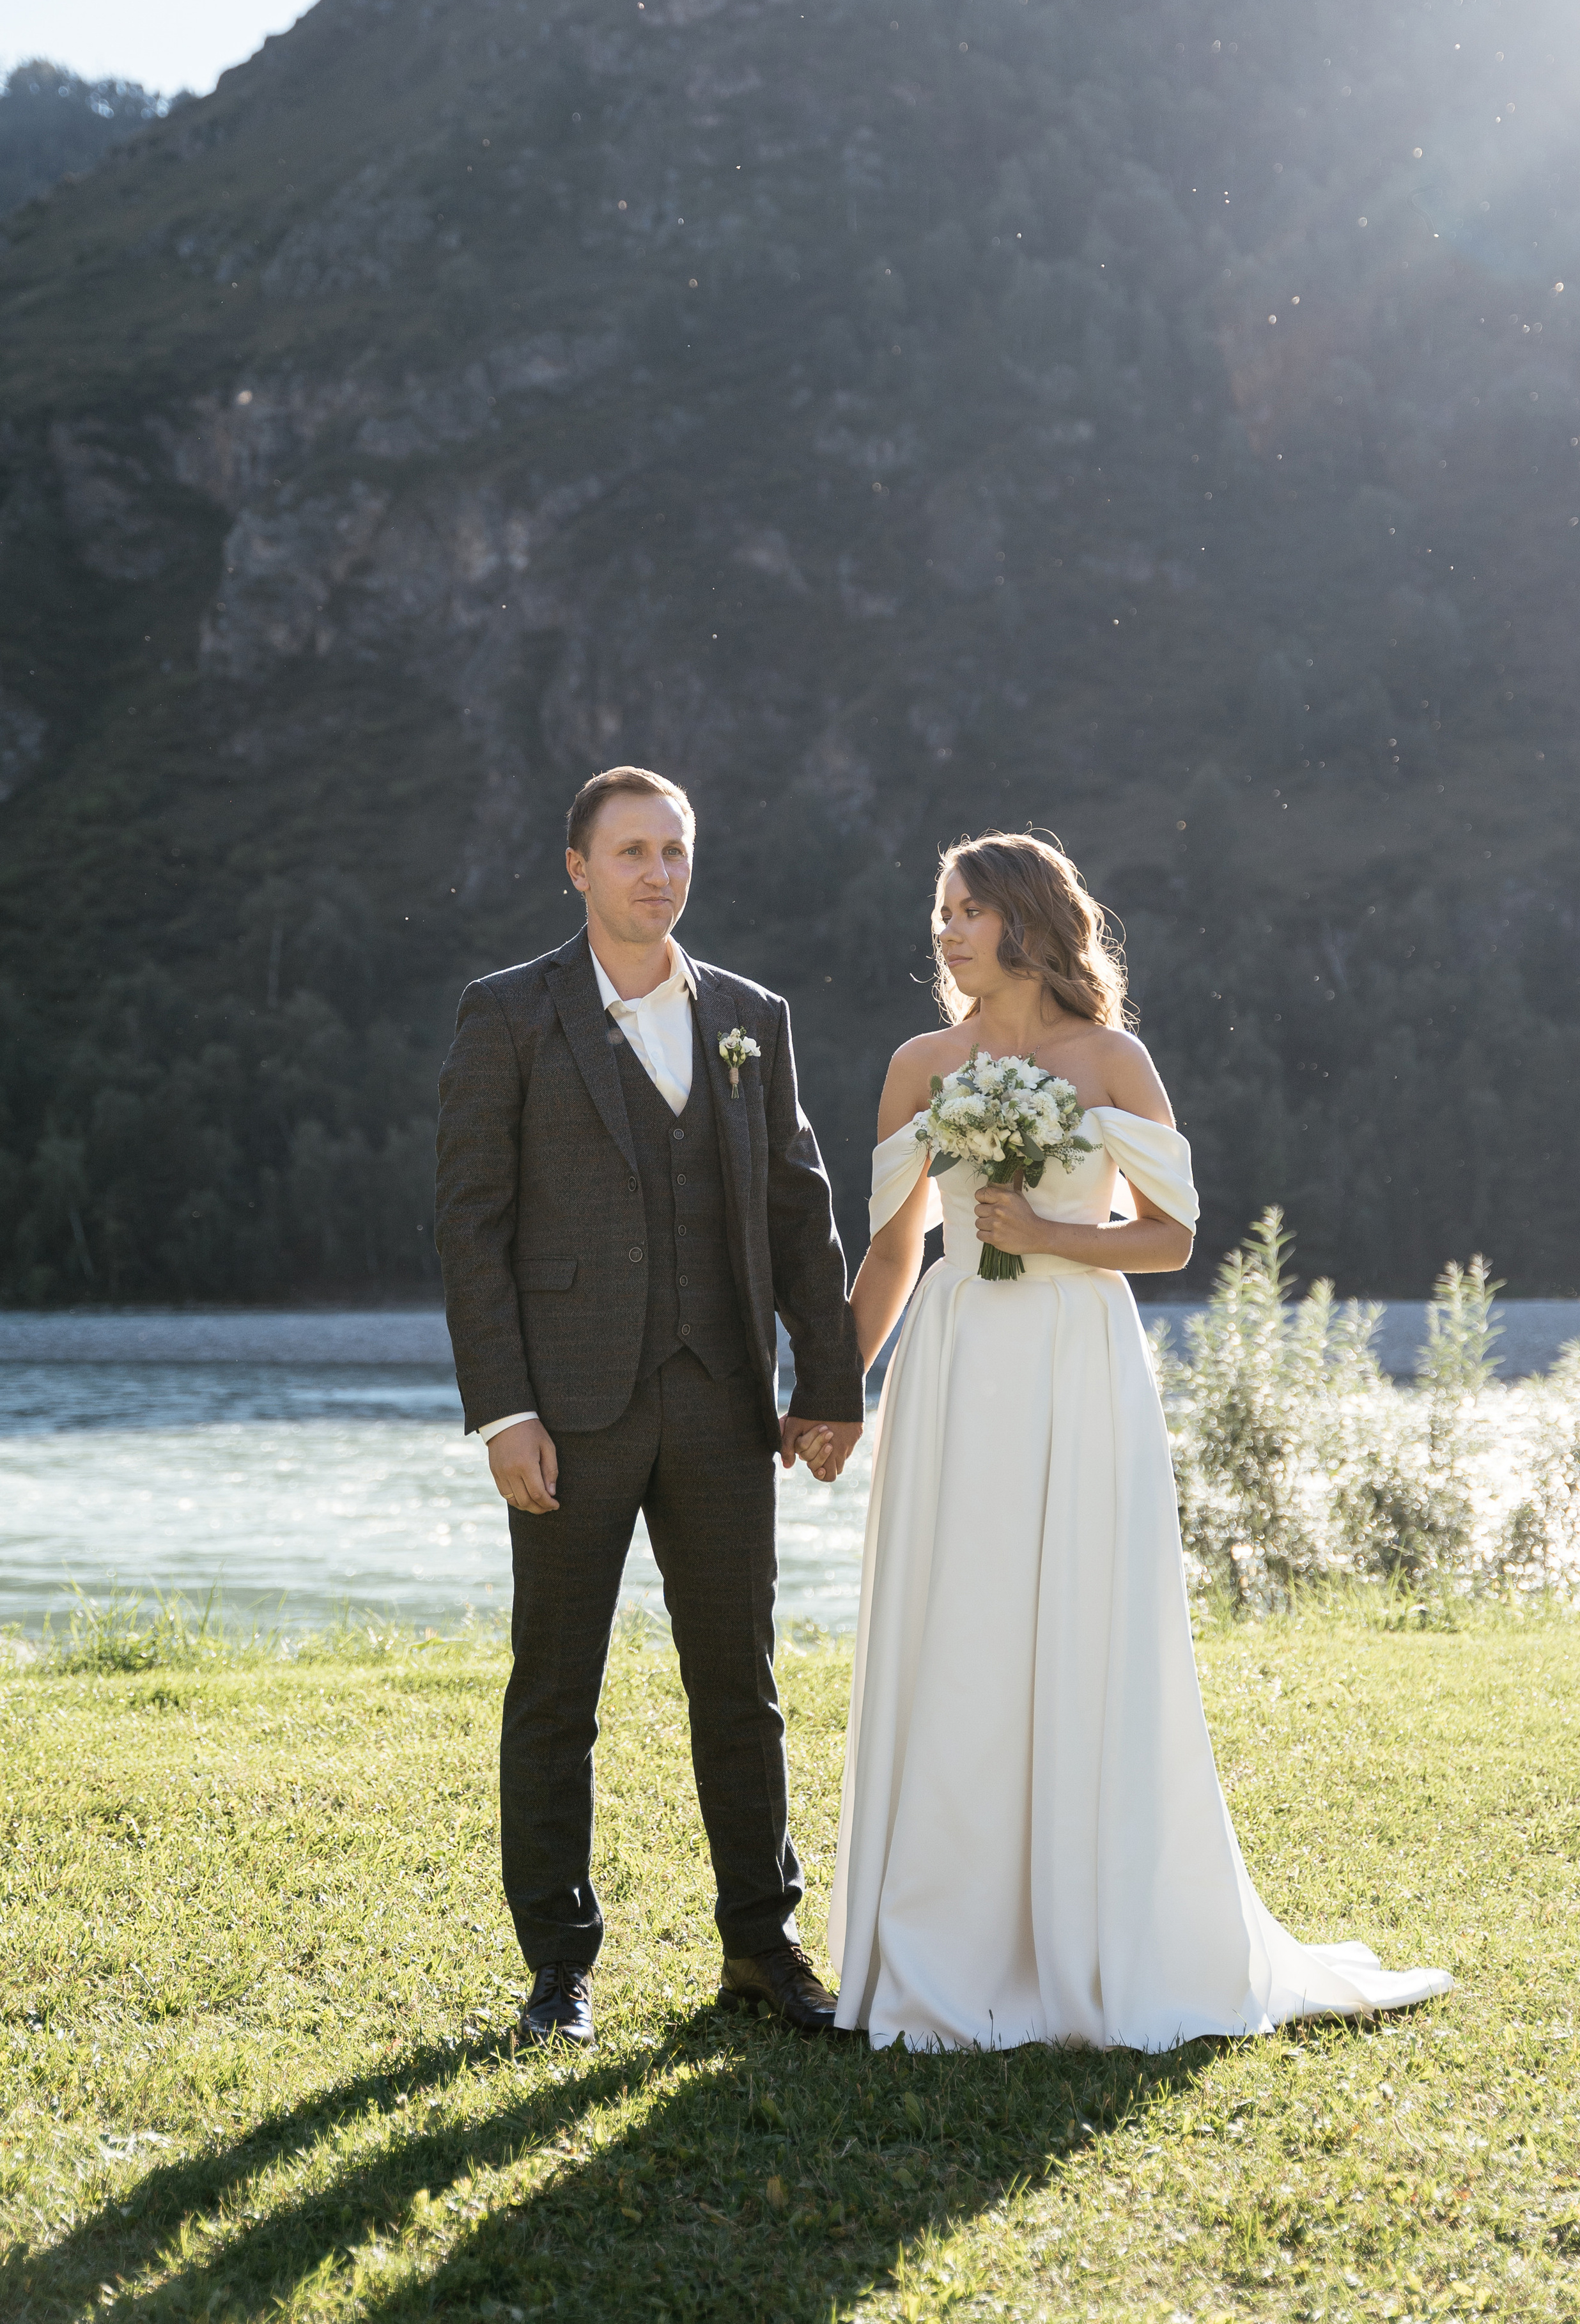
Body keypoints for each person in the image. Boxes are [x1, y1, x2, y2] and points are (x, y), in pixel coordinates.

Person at [814, 832, 1452, 2050]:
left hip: (1073, 1358)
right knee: (959, 1619)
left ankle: (1095, 1929)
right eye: (939, 913)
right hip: (954, 1360)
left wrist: (1053, 1238)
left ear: (1027, 920)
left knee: (1078, 1617)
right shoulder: (919, 1065)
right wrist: (840, 1388)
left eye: (967, 912)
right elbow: (896, 1250)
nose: (945, 933)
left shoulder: (1111, 1058)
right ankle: (943, 1943)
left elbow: (1170, 1237)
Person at [435, 764, 863, 2049]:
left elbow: (799, 1204)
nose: (654, 872)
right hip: (565, 1409)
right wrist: (502, 1409)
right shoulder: (507, 1015)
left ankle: (759, 1946)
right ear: (576, 866)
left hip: (724, 1403)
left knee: (738, 1682)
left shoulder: (748, 1015)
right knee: (555, 1689)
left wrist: (827, 1381)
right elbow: (472, 1226)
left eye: (672, 849)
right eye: (628, 850)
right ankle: (558, 1971)